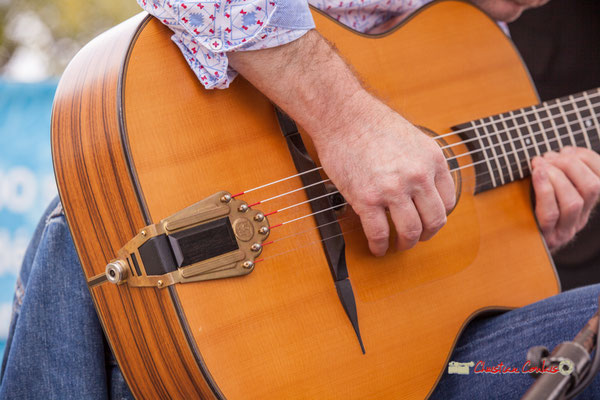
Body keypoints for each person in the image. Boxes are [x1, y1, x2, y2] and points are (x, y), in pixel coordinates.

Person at [1, 0, 600, 398]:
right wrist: (346, 121)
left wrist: (527, 222)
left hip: (426, 365)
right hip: (209, 336)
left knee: (579, 351)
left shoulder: (471, 40)